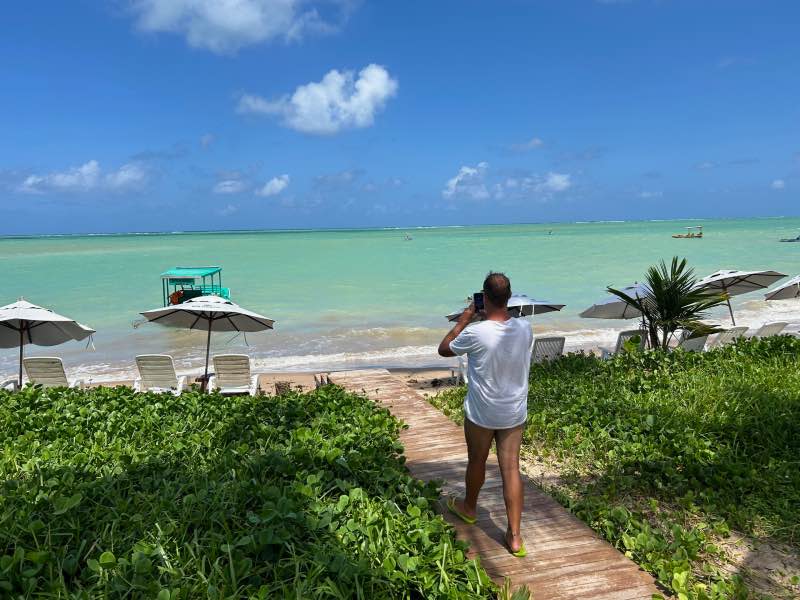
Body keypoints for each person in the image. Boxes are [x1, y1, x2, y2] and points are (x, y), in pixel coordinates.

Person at [437, 272, 533, 557]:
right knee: (511, 469)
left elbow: (444, 349)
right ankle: (515, 537)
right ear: (509, 297)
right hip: (513, 411)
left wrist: (466, 318)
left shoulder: (475, 332)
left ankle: (469, 507)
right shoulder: (526, 329)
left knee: (477, 461)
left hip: (482, 411)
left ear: (484, 298)